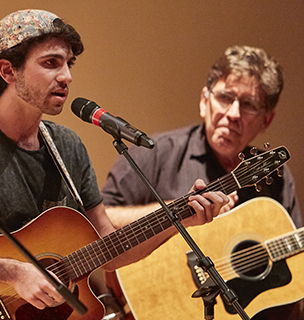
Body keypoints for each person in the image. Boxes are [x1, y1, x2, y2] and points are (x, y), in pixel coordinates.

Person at [0, 9, 229, 316]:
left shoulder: (68, 147)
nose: (66, 76)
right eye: (51, 63)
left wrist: (180, 218)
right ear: (8, 71)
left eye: (69, 64)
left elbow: (110, 249)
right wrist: (13, 272)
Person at [101, 45, 302, 229]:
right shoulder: (155, 153)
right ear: (204, 102)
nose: (233, 114)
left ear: (266, 121)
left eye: (249, 105)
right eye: (225, 97)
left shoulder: (275, 175)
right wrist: (181, 210)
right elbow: (101, 221)